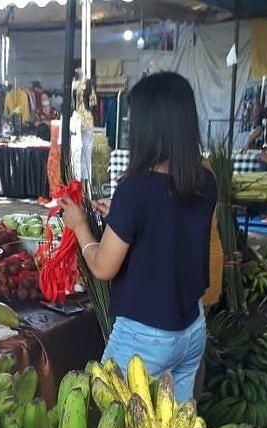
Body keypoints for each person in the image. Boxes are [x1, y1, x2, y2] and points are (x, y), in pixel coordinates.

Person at [59, 72, 217, 402]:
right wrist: (122, 215)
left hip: (145, 337)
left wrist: (80, 226)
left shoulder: (136, 190)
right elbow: (171, 225)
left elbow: (103, 268)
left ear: (149, 129)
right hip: (191, 329)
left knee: (107, 422)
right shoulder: (205, 179)